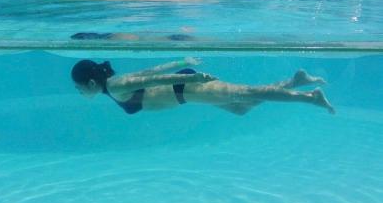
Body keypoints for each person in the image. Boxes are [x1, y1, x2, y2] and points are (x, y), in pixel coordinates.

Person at [71, 58, 335, 115]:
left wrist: (191, 77)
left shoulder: (116, 87)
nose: (78, 92)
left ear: (91, 82)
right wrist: (181, 62)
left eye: (78, 88)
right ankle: (295, 81)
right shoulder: (115, 85)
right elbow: (149, 72)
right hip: (185, 91)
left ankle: (311, 97)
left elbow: (152, 80)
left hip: (186, 89)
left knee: (248, 93)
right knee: (241, 108)